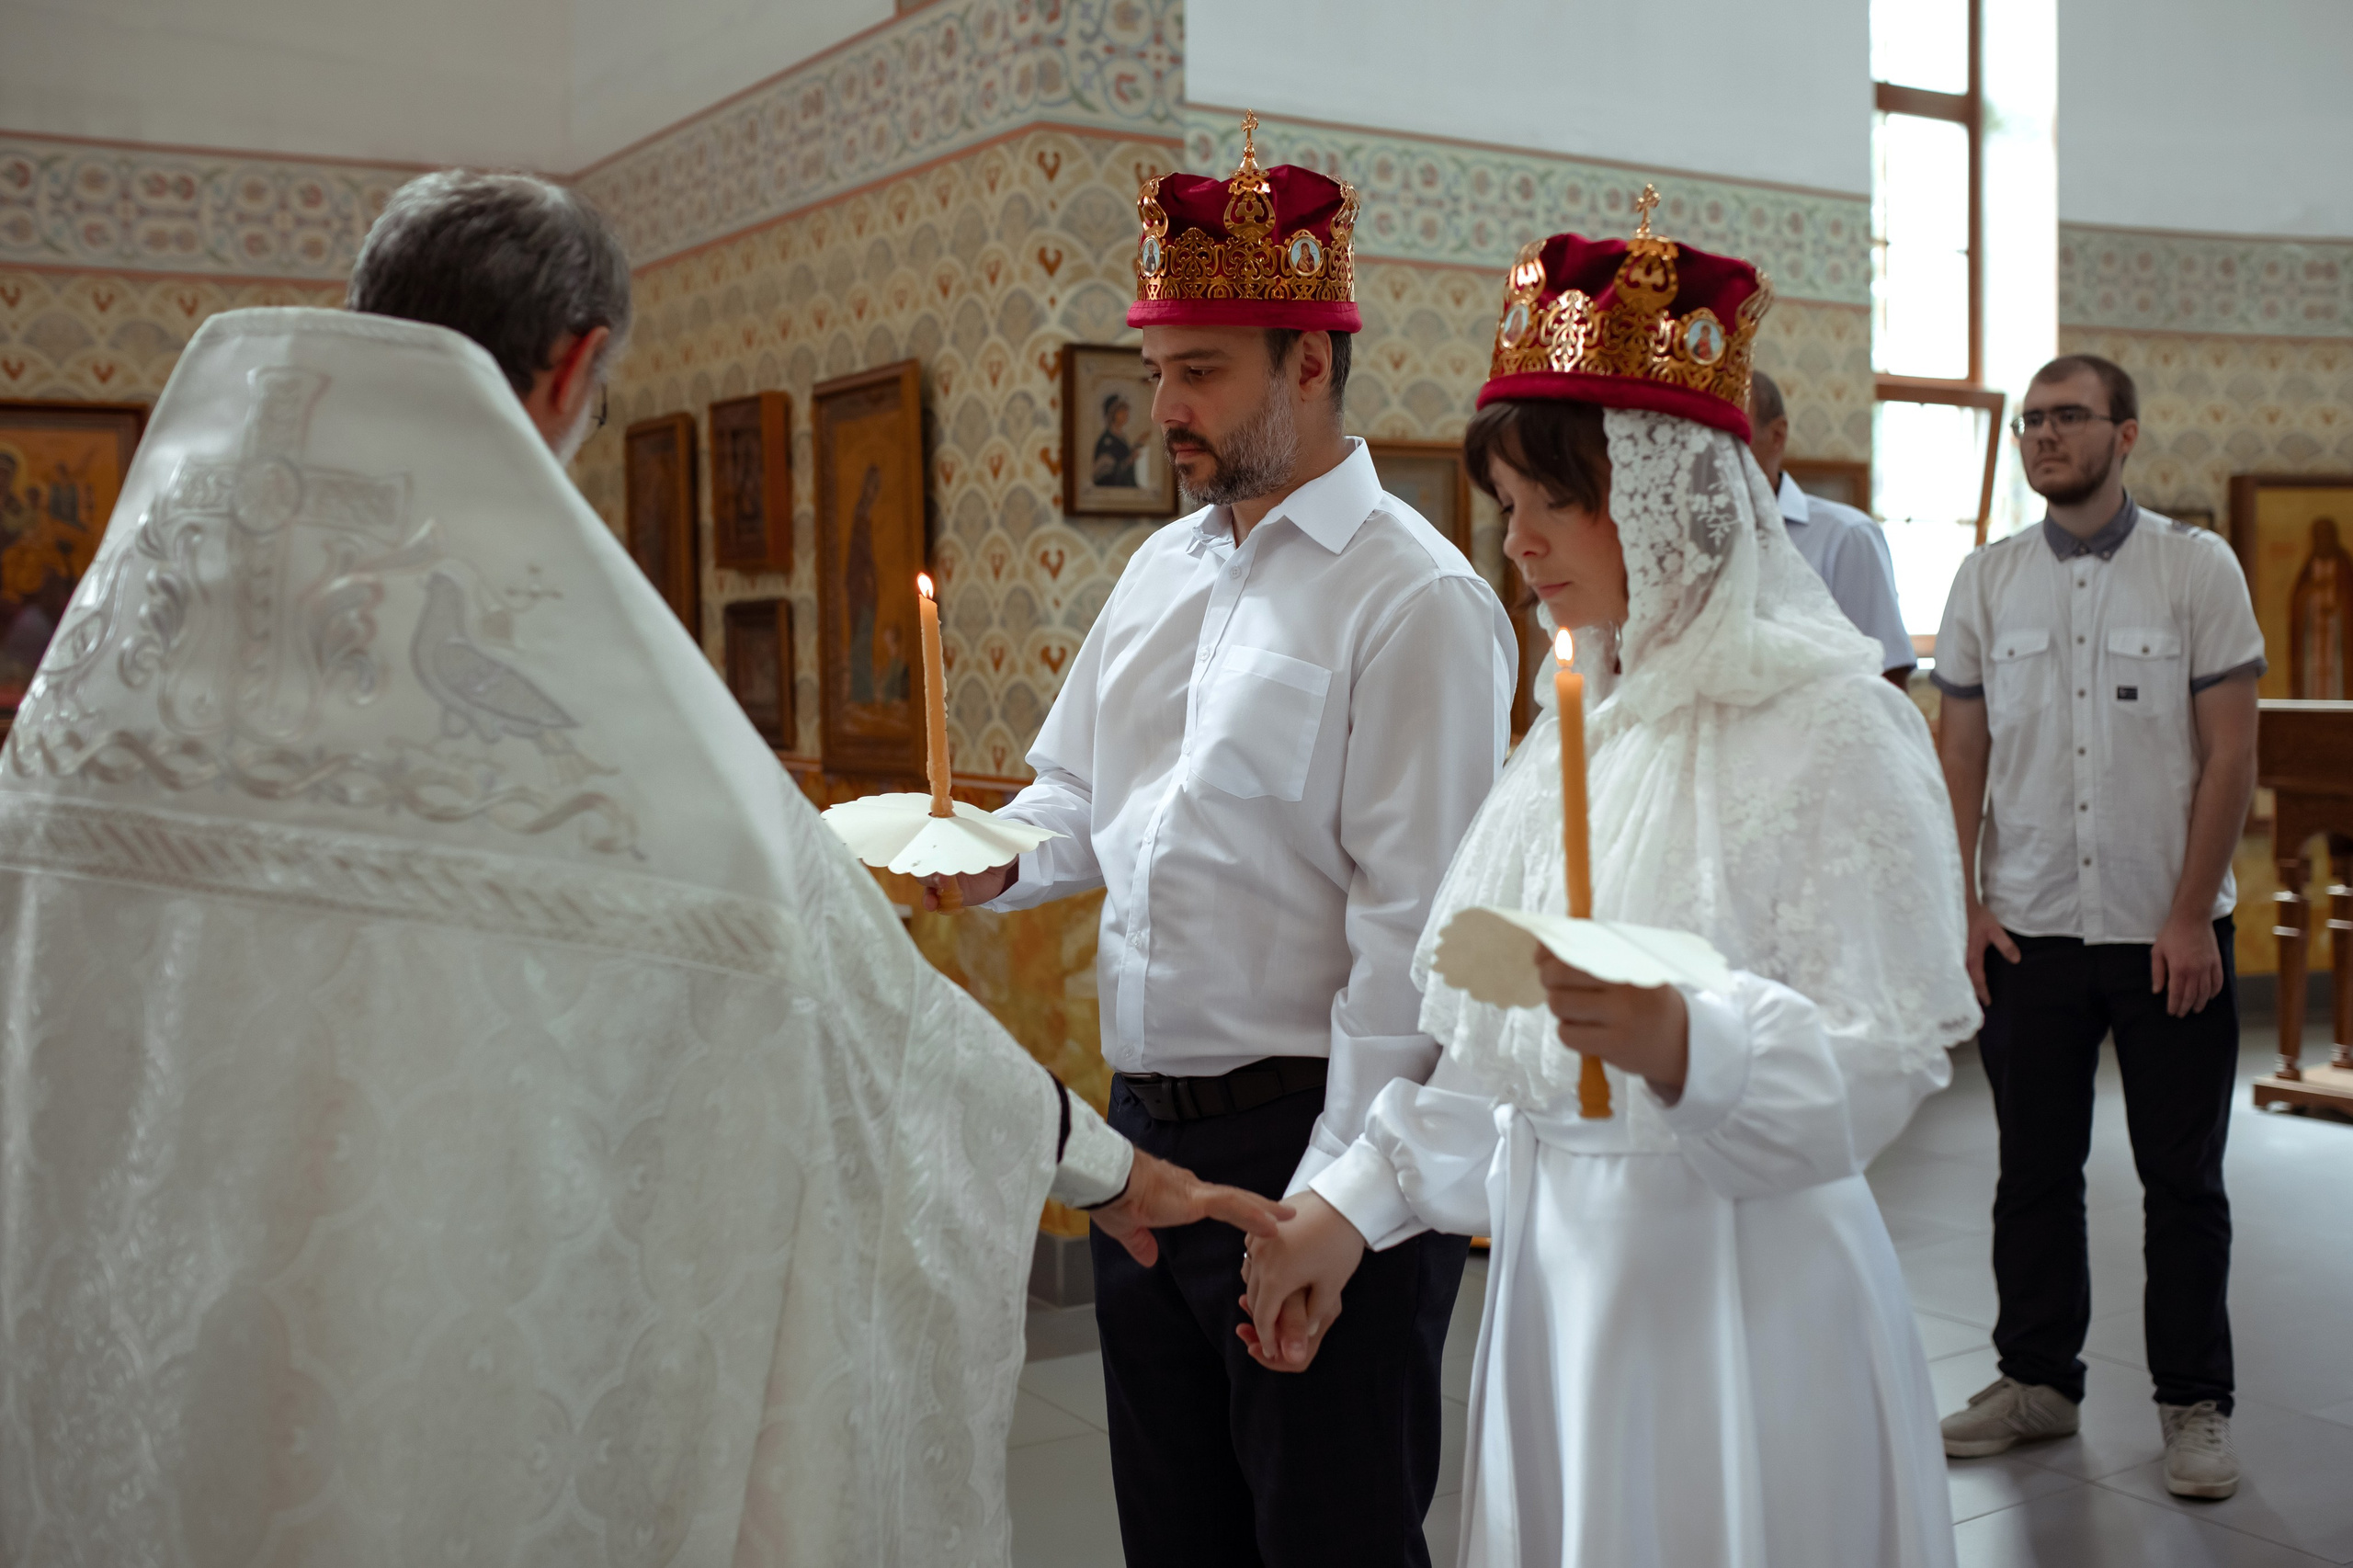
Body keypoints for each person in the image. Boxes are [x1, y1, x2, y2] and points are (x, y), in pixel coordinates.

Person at [0, 170, 1289, 1566]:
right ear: (575, 367)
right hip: (443, 1376)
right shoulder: (597, 723)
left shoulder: (101, 694)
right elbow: (867, 1017)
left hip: (137, 1369)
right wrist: (1106, 1168)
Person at [1235, 204, 1980, 1567]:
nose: (1516, 545)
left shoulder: (1830, 722)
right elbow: (1501, 1063)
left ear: (1661, 492)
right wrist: (1352, 1208)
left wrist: (1694, 1042)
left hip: (1740, 1296)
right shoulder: (1581, 723)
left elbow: (1877, 1069)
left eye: (1552, 501)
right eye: (1506, 506)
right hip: (1563, 1287)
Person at [927, 114, 1516, 1567]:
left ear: (1309, 362)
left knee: (1328, 1538)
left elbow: (1412, 947)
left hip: (1312, 1138)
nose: (1166, 408)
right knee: (1176, 1537)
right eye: (1156, 372)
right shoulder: (1161, 568)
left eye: (1202, 372)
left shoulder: (1414, 601)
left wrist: (1327, 1210)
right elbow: (1077, 792)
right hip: (1147, 1146)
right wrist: (992, 855)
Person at [1930, 353, 2264, 1500]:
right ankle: (2036, 1380)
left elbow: (2231, 751)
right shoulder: (1984, 580)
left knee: (2182, 1180)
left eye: (2067, 418)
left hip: (2165, 934)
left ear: (2125, 433)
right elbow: (1959, 753)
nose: (2041, 437)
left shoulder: (2194, 568)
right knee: (2032, 1169)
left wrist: (2186, 913)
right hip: (2029, 931)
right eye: (2029, 422)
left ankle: (2194, 1405)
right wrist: (1962, 901)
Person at [1747, 369, 1915, 687]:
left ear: (1777, 437)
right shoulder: (1689, 543)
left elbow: (1885, 677)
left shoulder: (1846, 537)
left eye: (1734, 432)